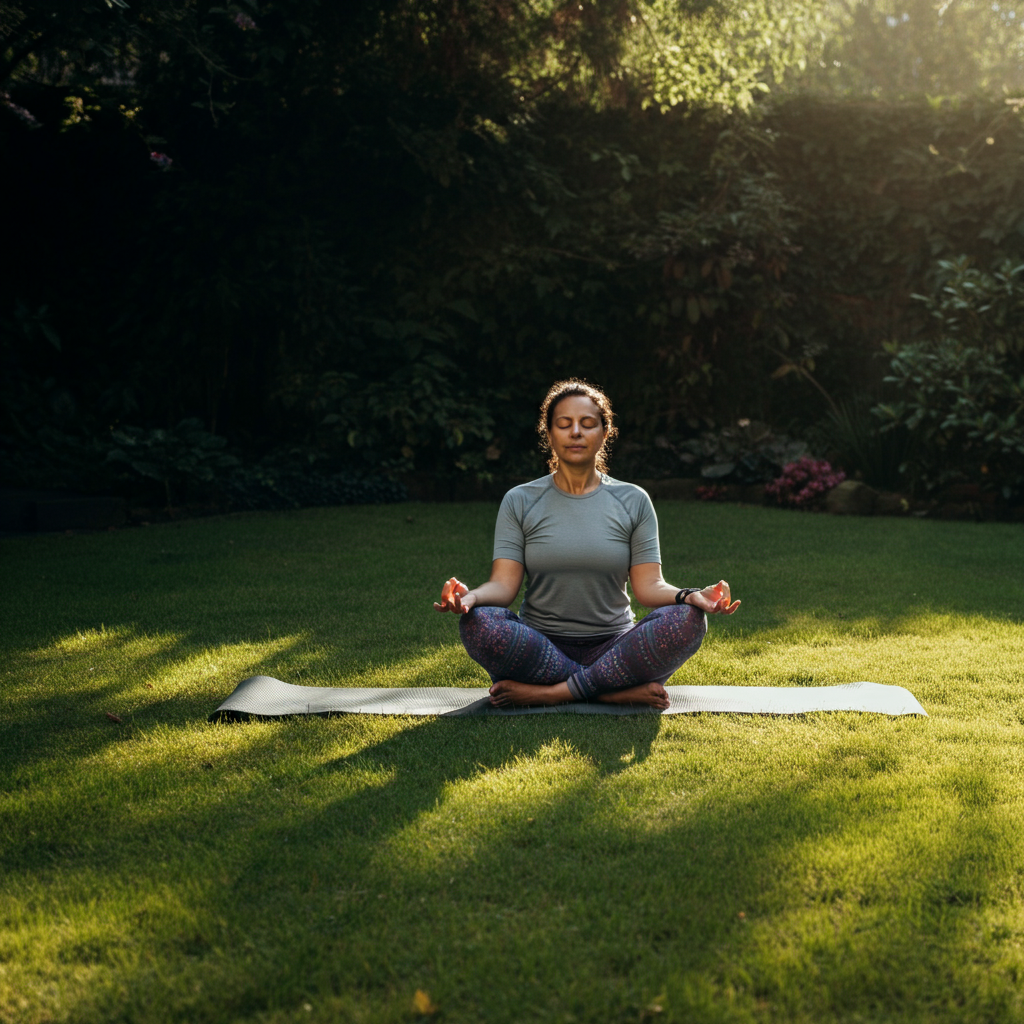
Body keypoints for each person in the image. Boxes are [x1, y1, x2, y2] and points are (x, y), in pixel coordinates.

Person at [434, 379, 739, 709]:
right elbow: (503, 586)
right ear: (549, 434)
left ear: (605, 433)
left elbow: (649, 587)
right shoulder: (520, 500)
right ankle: (609, 690)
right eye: (564, 424)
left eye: (588, 424)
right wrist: (471, 598)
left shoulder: (633, 500)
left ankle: (551, 692)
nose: (575, 432)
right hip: (541, 646)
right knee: (479, 622)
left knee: (689, 619)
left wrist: (690, 595)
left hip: (614, 646)